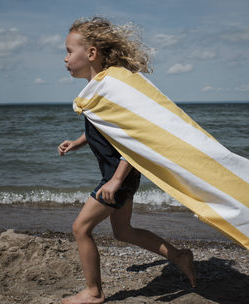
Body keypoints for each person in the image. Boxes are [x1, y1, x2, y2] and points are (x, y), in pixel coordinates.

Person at [58, 17, 196, 304]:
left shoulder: (109, 90)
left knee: (80, 229)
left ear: (91, 54)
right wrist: (78, 142)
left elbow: (133, 138)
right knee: (123, 231)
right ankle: (179, 256)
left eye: (70, 51)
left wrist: (117, 180)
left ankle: (93, 293)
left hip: (119, 174)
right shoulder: (100, 87)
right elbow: (107, 130)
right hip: (122, 174)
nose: (66, 58)